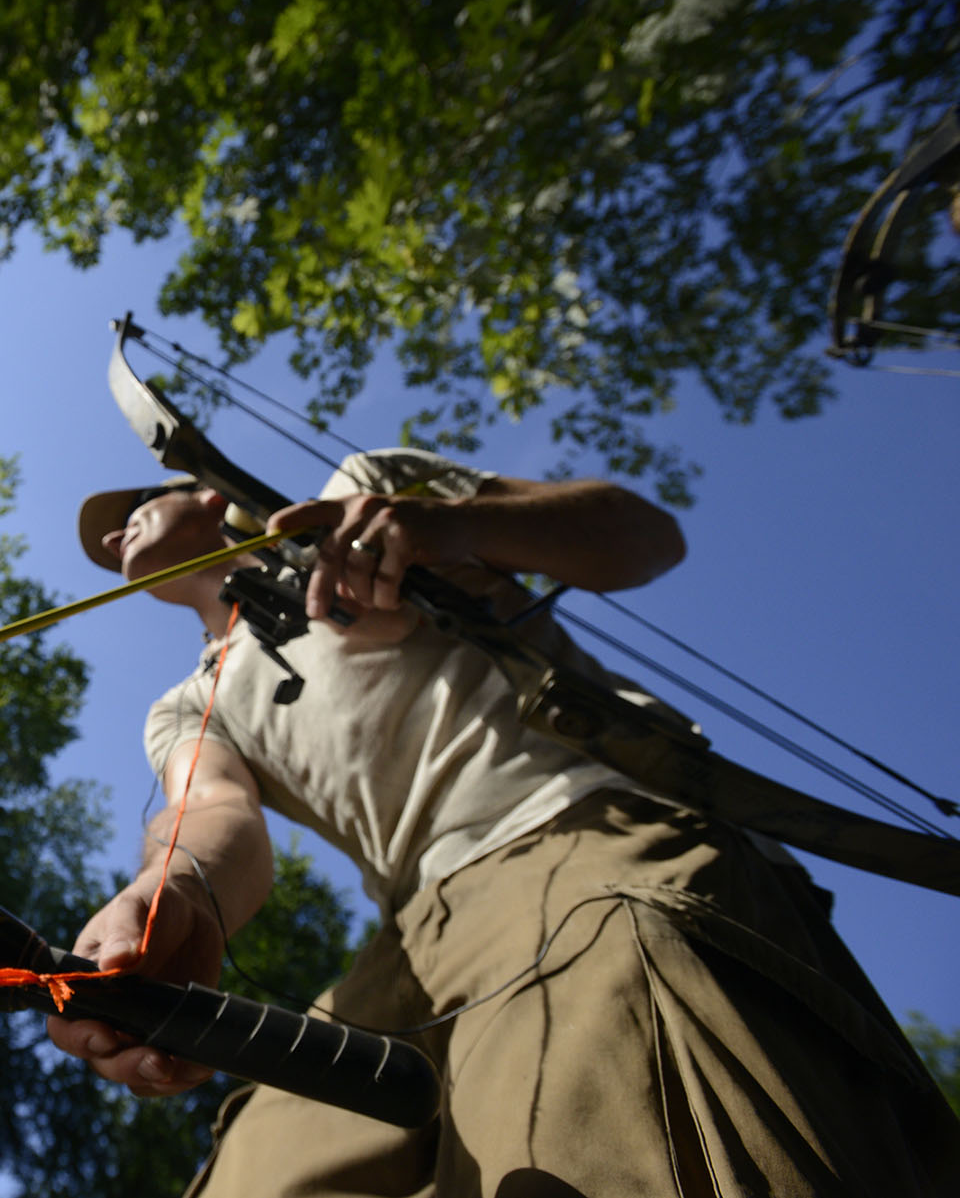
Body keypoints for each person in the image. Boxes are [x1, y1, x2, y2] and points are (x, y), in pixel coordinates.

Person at [48, 448, 959, 1197]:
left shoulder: (359, 494)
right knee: (260, 1170)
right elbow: (210, 809)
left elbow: (643, 538)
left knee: (600, 1112)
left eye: (129, 506)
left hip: (574, 833)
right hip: (411, 938)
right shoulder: (185, 705)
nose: (113, 532)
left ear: (203, 491)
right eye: (104, 536)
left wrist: (448, 528)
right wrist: (171, 897)